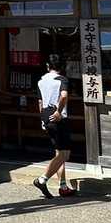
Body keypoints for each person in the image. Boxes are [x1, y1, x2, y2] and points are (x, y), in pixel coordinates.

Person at [33, 53, 76, 198]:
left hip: (46, 115)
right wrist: (58, 111)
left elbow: (40, 102)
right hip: (58, 118)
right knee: (65, 154)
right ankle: (42, 179)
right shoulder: (62, 79)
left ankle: (63, 186)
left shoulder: (41, 81)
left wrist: (42, 119)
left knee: (59, 152)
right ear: (61, 67)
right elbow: (64, 96)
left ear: (47, 66)